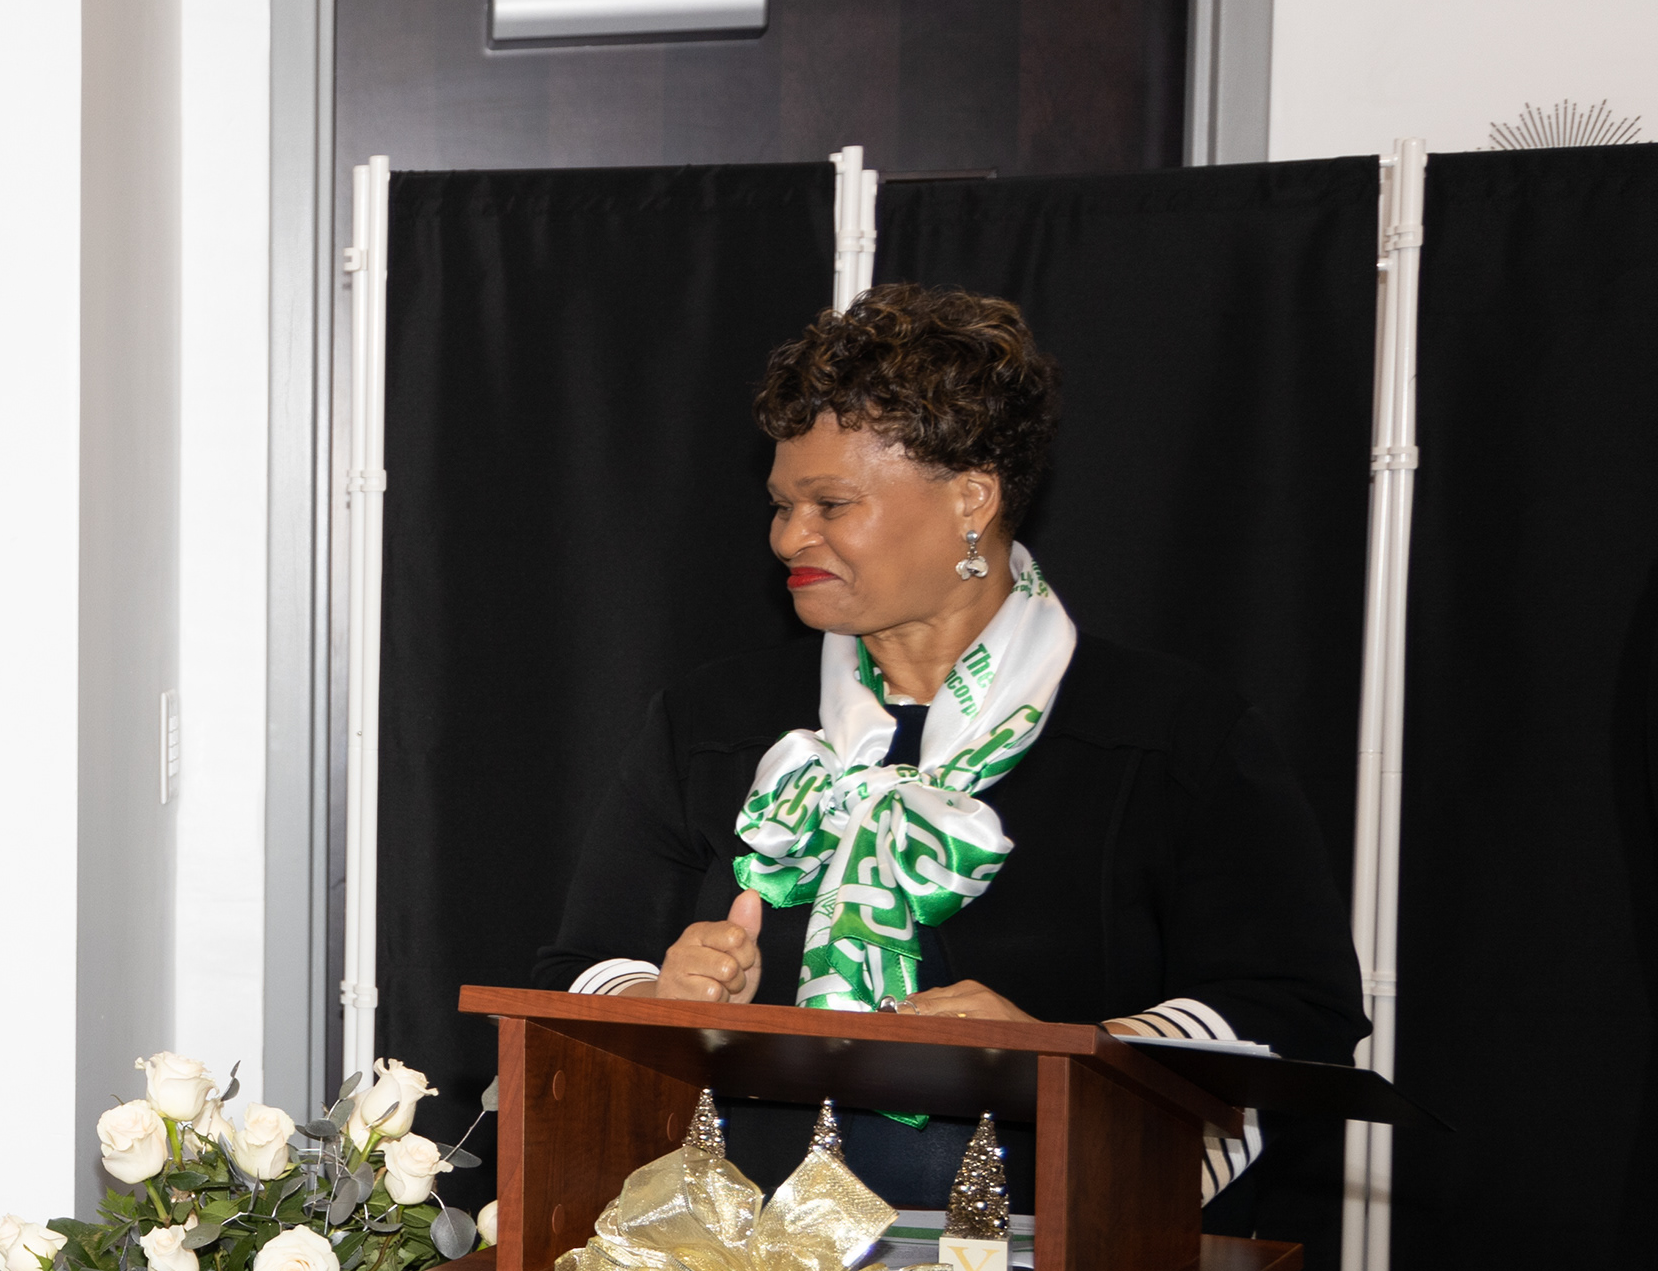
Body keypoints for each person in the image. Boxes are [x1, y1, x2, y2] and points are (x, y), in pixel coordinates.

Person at [538, 284, 1366, 1215]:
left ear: (972, 498)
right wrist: (657, 995)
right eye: (781, 504)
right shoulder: (711, 721)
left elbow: (1295, 1013)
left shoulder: (1168, 734)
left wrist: (1066, 1055)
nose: (788, 538)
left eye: (830, 503)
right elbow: (574, 967)